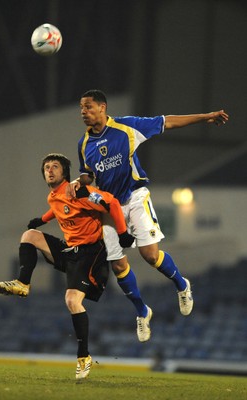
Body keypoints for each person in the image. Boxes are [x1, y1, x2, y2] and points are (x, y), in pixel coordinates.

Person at [68, 89, 230, 319]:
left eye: (88, 107)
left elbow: (168, 122)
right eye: (81, 108)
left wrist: (205, 117)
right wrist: (78, 181)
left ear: (102, 107)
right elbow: (88, 174)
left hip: (134, 196)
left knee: (151, 255)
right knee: (117, 267)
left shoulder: (127, 127)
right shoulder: (84, 144)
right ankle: (143, 312)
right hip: (108, 207)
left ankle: (182, 285)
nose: (83, 112)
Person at [0, 153, 136, 380]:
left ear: (64, 173)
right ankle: (22, 283)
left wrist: (122, 233)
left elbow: (112, 203)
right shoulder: (54, 196)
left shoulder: (79, 191)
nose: (49, 170)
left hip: (90, 254)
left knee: (72, 301)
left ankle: (83, 357)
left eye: (55, 167)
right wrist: (42, 220)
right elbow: (58, 207)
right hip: (70, 251)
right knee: (30, 235)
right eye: (46, 167)